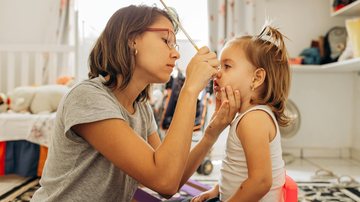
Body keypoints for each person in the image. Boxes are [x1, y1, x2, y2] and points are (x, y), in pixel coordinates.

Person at [31, 4, 240, 202]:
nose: (175, 53)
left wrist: (211, 133)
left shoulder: (141, 109)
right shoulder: (87, 97)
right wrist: (189, 89)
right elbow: (164, 180)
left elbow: (171, 180)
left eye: (175, 44)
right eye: (165, 40)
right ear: (132, 39)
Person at [191, 25, 291, 202]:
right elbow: (237, 169)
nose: (217, 73)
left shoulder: (254, 120)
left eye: (227, 66)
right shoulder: (248, 116)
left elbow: (260, 182)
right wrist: (217, 190)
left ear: (257, 78)